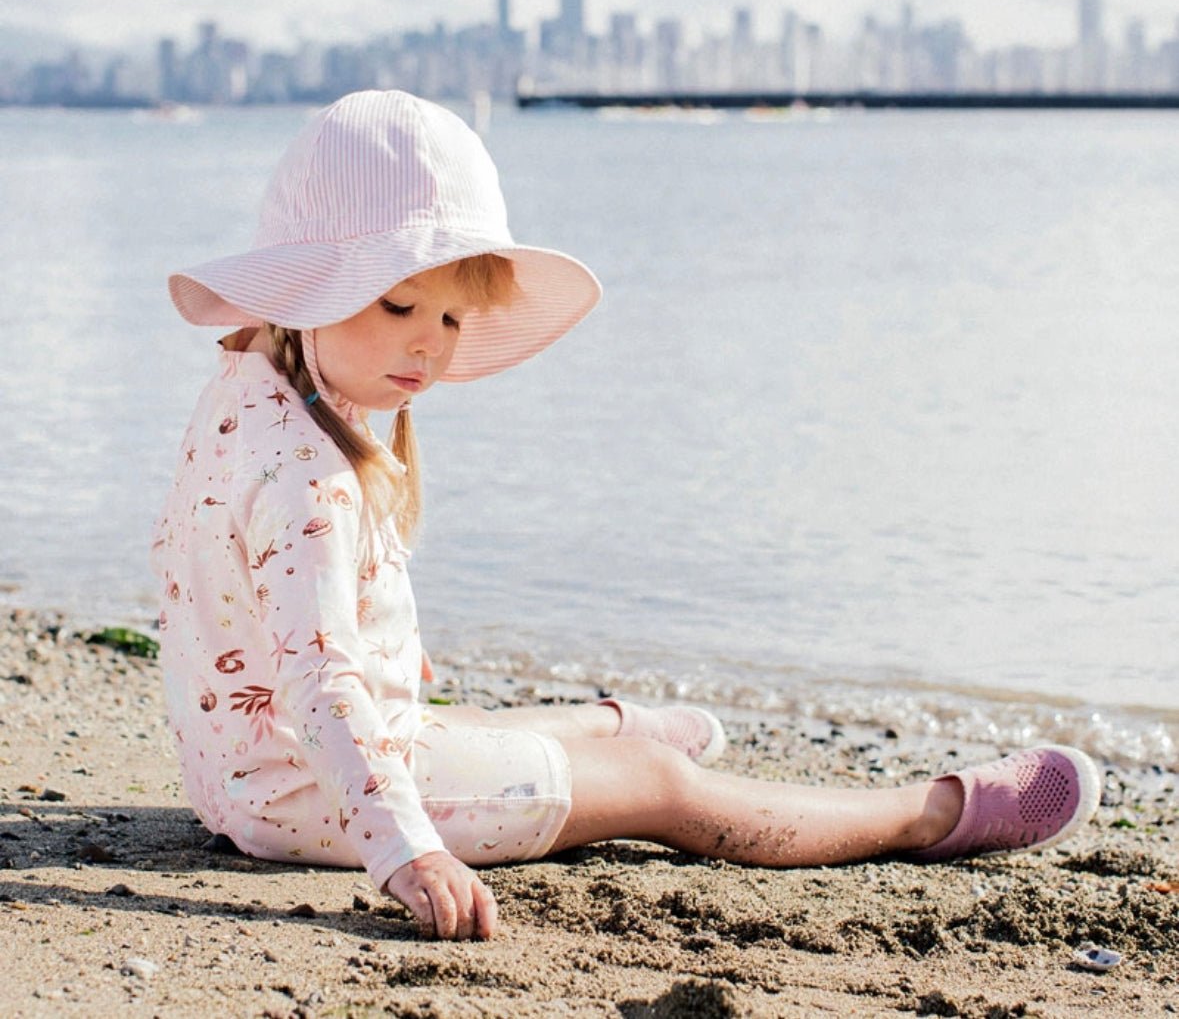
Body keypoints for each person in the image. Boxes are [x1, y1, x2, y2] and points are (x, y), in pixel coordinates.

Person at [152, 90, 1101, 943]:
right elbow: (322, 685)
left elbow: (245, 593)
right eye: (399, 302)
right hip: (299, 793)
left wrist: (385, 638)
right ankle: (926, 813)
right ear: (308, 290)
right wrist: (408, 853)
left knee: (471, 719)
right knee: (662, 791)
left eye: (449, 319)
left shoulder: (255, 384)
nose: (428, 346)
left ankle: (607, 727)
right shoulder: (306, 473)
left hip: (237, 763)